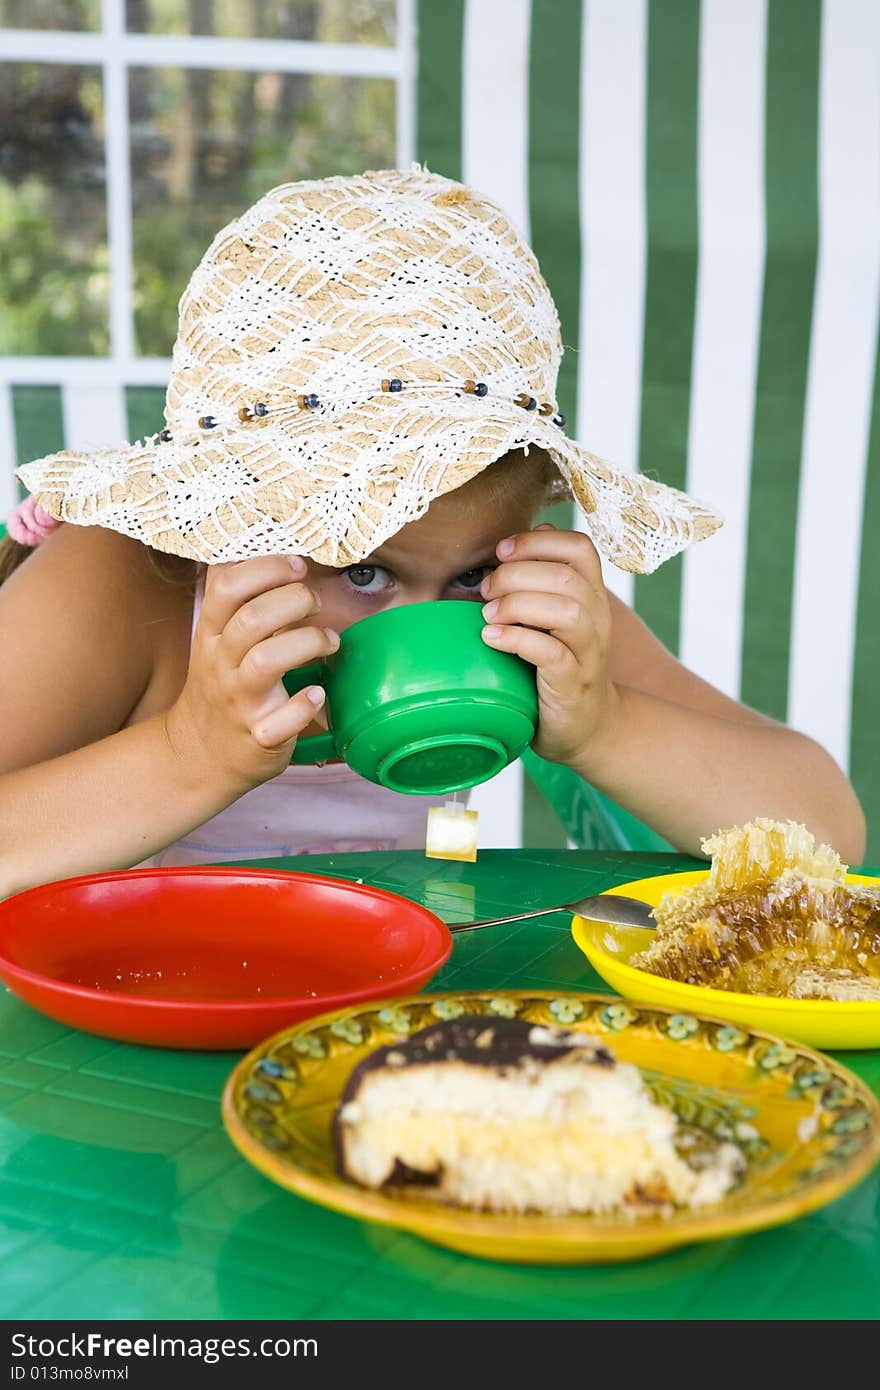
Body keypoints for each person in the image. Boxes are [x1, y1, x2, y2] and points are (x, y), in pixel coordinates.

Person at [0, 168, 865, 899]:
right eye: (366, 571)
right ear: (232, 512)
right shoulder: (129, 579)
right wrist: (193, 754)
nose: (433, 619)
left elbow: (828, 830)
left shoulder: (521, 609)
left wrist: (604, 727)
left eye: (469, 575)